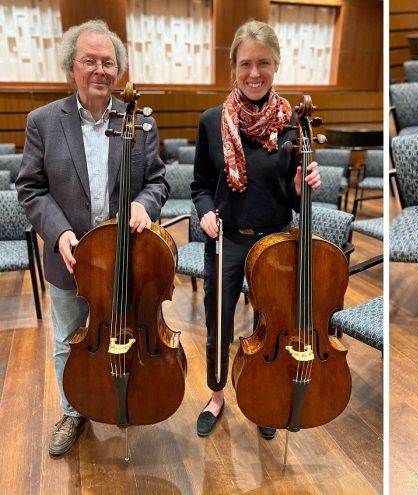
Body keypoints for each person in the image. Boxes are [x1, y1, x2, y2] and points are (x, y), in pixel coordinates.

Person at [15, 20, 168, 456]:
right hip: (71, 258)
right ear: (71, 68)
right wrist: (59, 231)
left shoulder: (139, 121)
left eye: (108, 62)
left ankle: (129, 395)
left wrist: (144, 205)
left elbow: (157, 182)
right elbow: (31, 188)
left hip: (127, 257)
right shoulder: (42, 121)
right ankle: (72, 410)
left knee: (131, 331)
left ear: (118, 71)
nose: (100, 70)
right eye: (90, 61)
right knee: (68, 338)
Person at [191, 20, 321, 439]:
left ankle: (265, 396)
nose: (254, 72)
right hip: (226, 239)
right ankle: (216, 395)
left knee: (271, 325)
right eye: (246, 63)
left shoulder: (293, 123)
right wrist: (206, 211)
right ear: (233, 68)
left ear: (276, 64)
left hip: (275, 242)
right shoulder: (212, 122)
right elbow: (199, 184)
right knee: (219, 321)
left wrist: (302, 188)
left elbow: (295, 199)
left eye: (263, 62)